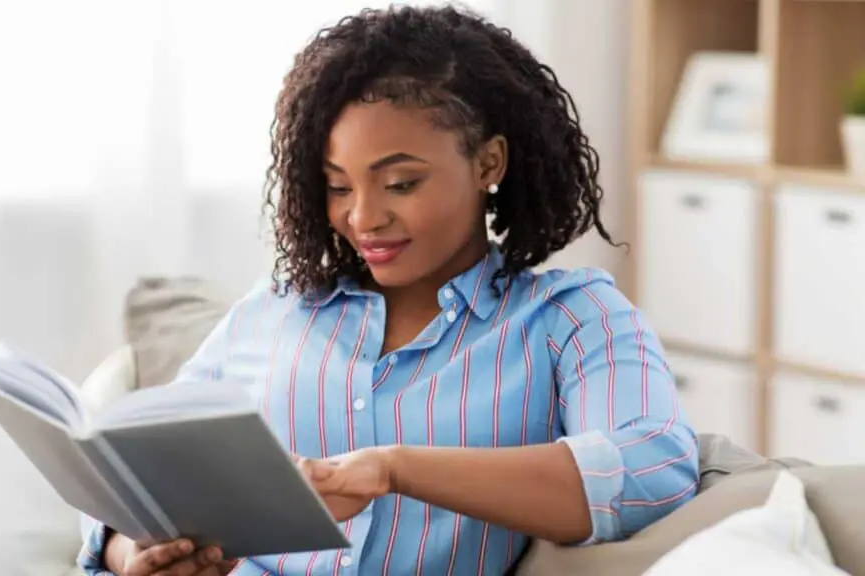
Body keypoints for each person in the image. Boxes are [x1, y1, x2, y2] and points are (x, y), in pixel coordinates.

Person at [78, 4, 699, 575]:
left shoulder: (569, 316)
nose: (363, 219)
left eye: (400, 183)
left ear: (489, 164)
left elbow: (652, 470)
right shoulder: (274, 311)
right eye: (339, 187)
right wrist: (132, 548)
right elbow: (136, 473)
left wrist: (396, 470)